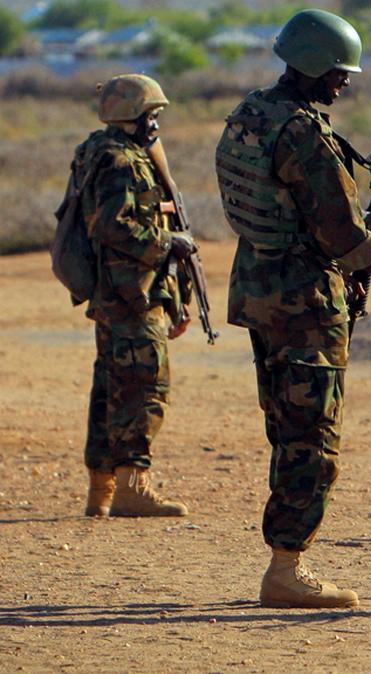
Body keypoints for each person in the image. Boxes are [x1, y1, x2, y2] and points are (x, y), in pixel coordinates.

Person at [215, 9, 371, 609]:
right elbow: (345, 235)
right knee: (311, 436)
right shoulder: (303, 135)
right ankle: (287, 570)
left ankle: (284, 562)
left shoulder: (252, 113)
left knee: (286, 425)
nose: (344, 83)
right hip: (303, 302)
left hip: (261, 290)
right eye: (339, 73)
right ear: (314, 64)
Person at [78, 74, 195, 519]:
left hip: (117, 291)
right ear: (132, 116)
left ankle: (101, 490)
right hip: (132, 294)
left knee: (110, 386)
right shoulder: (121, 160)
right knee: (143, 386)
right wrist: (170, 244)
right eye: (151, 115)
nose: (156, 124)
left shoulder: (96, 149)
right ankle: (131, 486)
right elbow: (113, 225)